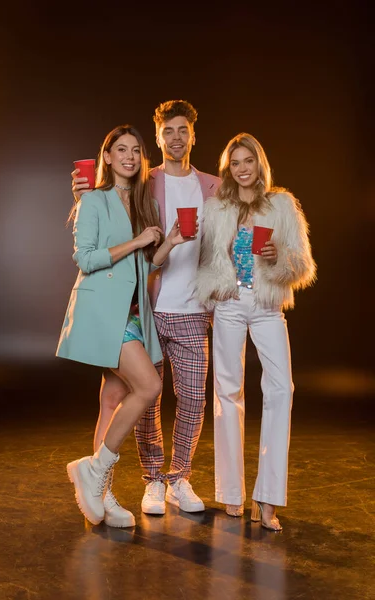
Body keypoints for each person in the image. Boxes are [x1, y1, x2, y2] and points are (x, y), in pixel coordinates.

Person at [72, 100, 220, 515]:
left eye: (182, 130)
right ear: (159, 137)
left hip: (183, 308)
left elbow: (234, 227)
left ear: (192, 134)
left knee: (183, 399)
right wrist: (84, 192)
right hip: (144, 308)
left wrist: (169, 243)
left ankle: (171, 478)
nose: (175, 138)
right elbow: (95, 232)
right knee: (143, 397)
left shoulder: (212, 186)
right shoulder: (144, 185)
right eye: (167, 131)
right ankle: (144, 479)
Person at [58, 124, 193, 528]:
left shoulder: (141, 202)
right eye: (122, 149)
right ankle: (94, 470)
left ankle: (101, 491)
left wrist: (167, 243)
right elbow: (86, 259)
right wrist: (136, 241)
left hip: (134, 312)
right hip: (104, 311)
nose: (130, 156)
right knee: (149, 386)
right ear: (108, 157)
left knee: (111, 399)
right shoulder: (94, 200)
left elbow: (146, 267)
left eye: (136, 150)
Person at [195, 132, 316, 531]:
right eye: (235, 162)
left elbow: (302, 264)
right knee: (227, 392)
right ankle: (231, 493)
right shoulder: (217, 209)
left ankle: (267, 498)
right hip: (229, 304)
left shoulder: (282, 204)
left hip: (266, 306)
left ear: (259, 163)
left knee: (281, 389)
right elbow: (208, 261)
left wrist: (279, 256)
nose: (242, 168)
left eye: (248, 161)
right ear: (227, 167)